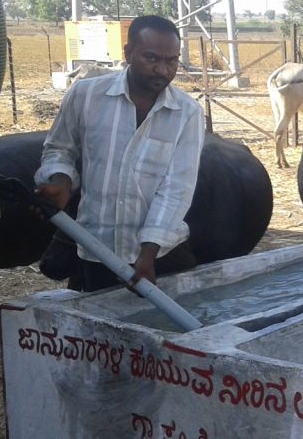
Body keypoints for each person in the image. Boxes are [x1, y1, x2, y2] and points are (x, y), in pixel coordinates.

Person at [35, 15, 205, 292]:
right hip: (96, 248)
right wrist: (61, 179)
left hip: (160, 255)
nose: (163, 70)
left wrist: (147, 254)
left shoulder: (187, 113)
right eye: (151, 58)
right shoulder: (85, 95)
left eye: (172, 61)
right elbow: (59, 148)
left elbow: (177, 188)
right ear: (128, 53)